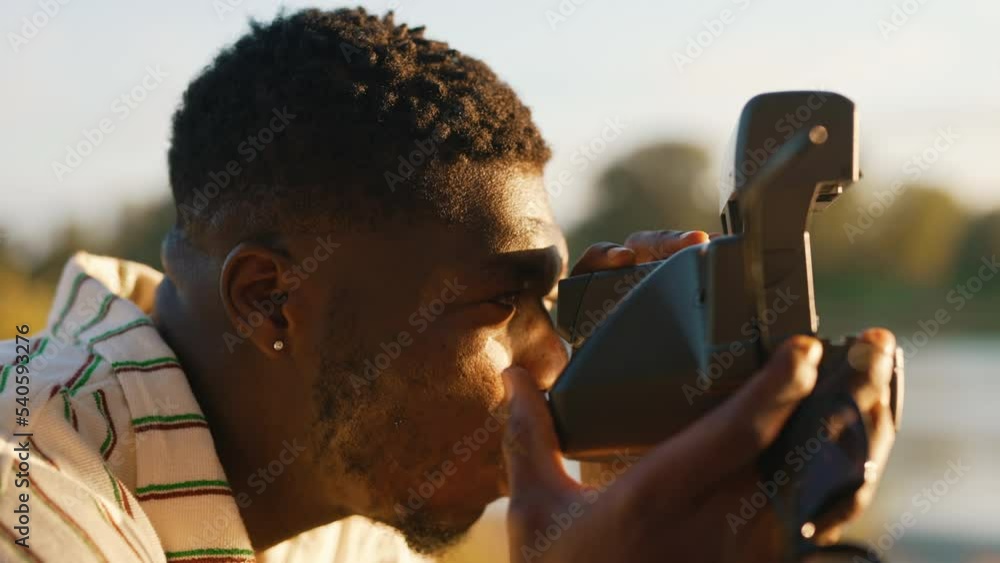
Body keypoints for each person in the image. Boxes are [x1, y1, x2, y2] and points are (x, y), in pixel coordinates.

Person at [0, 7, 897, 563]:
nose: (551, 362)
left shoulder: (337, 524)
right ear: (269, 299)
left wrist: (632, 500)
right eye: (502, 304)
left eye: (554, 307)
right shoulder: (26, 496)